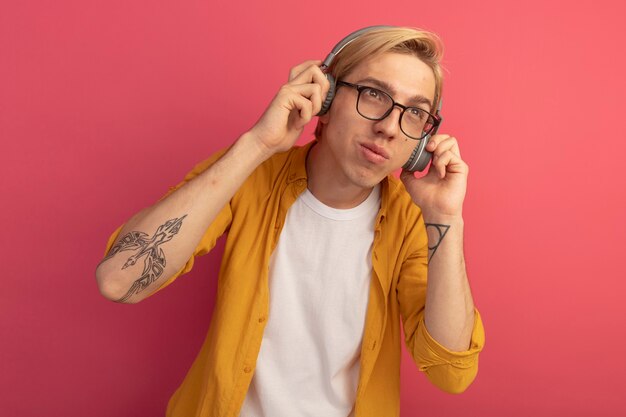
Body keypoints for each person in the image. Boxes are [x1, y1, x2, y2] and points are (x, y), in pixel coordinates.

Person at [96, 26, 485, 417]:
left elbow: (451, 372)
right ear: (325, 96)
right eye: (373, 94)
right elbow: (119, 280)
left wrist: (445, 216)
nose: (387, 126)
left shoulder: (411, 222)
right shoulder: (253, 173)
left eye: (414, 112)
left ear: (421, 140)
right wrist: (258, 144)